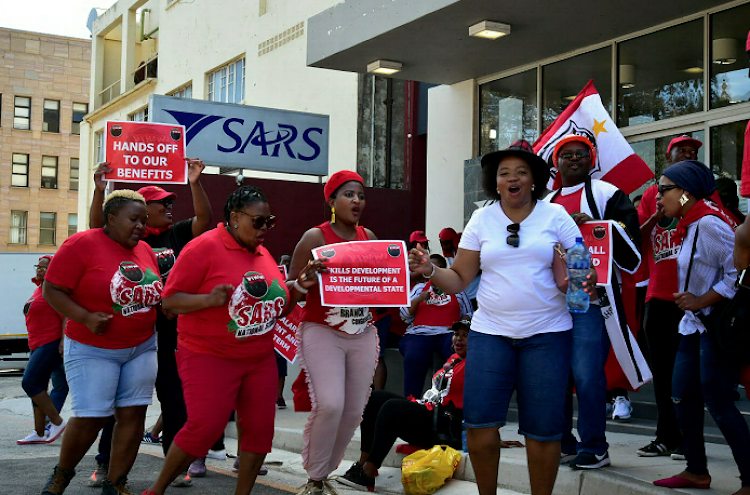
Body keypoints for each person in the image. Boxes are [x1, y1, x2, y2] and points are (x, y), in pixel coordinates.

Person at [409, 140, 595, 495]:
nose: (513, 179)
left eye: (521, 172)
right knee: (479, 425)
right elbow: (460, 278)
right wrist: (431, 270)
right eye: (504, 173)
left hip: (548, 335)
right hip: (490, 334)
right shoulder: (482, 218)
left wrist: (582, 277)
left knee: (543, 429)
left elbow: (581, 271)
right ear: (494, 182)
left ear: (534, 180)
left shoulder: (556, 217)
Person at [142, 186, 316, 495]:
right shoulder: (203, 248)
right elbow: (169, 301)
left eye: (270, 221)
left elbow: (277, 308)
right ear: (235, 218)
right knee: (203, 429)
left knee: (260, 434)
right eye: (258, 221)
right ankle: (156, 490)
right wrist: (208, 300)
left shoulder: (261, 253)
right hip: (209, 355)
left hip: (258, 358)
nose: (265, 229)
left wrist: (300, 286)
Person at [88, 159, 212, 487]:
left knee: (175, 401)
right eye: (163, 204)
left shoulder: (178, 233)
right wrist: (100, 191)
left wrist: (195, 182)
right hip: (134, 333)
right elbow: (96, 230)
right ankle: (104, 465)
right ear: (141, 212)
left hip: (172, 335)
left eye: (171, 202)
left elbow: (204, 219)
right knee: (124, 405)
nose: (170, 207)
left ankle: (174, 466)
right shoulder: (126, 241)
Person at [39, 190, 163, 495]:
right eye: (133, 219)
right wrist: (85, 317)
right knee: (93, 415)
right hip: (94, 348)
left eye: (144, 220)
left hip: (142, 346)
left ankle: (116, 482)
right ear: (110, 218)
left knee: (133, 414)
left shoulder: (145, 250)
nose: (140, 226)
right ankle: (61, 476)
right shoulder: (81, 244)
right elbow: (52, 290)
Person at [652, 160, 750, 495]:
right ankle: (696, 471)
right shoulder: (691, 221)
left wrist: (701, 299)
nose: (657, 195)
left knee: (719, 401)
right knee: (681, 393)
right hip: (694, 326)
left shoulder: (708, 223)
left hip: (716, 325)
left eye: (664, 189)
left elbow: (739, 272)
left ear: (685, 193)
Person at [545, 134, 641, 470]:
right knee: (555, 376)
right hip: (552, 304)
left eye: (580, 154)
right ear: (555, 163)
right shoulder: (547, 202)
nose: (573, 159)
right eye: (566, 155)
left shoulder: (606, 194)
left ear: (592, 160)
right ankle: (563, 442)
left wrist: (601, 227)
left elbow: (634, 246)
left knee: (586, 374)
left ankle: (595, 446)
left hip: (589, 301)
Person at [288, 170, 379, 495]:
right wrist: (305, 278)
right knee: (330, 404)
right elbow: (289, 288)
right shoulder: (315, 237)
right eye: (349, 195)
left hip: (362, 333)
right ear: (331, 200)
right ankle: (314, 478)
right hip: (322, 330)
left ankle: (325, 473)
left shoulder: (369, 236)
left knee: (354, 409)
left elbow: (382, 285)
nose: (357, 201)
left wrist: (406, 271)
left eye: (361, 196)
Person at [337, 318, 487, 491]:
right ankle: (362, 465)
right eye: (456, 334)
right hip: (431, 412)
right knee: (374, 398)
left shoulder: (477, 364)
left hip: (447, 425)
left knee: (393, 409)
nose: (459, 339)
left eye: (466, 336)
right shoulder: (454, 359)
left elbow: (483, 401)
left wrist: (486, 434)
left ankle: (368, 474)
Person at [636, 134, 701, 459]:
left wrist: (683, 203)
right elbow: (636, 240)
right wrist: (655, 216)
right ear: (669, 154)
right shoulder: (652, 195)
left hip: (694, 298)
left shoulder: (701, 194)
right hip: (659, 297)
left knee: (688, 374)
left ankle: (691, 441)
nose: (688, 154)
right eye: (682, 151)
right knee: (662, 374)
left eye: (693, 151)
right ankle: (666, 436)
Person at [399, 254, 472, 398]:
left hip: (447, 333)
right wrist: (419, 299)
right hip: (420, 333)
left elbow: (468, 313)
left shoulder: (456, 288)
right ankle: (411, 401)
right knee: (414, 355)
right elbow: (404, 315)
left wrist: (460, 327)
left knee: (456, 353)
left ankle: (452, 399)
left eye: (436, 267)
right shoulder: (419, 288)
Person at [18, 255, 68, 445]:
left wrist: (63, 341)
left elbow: (65, 315)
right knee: (38, 386)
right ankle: (39, 433)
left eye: (44, 267)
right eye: (38, 267)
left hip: (50, 342)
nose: (39, 270)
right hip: (36, 343)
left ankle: (57, 422)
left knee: (30, 383)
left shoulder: (54, 290)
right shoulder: (39, 289)